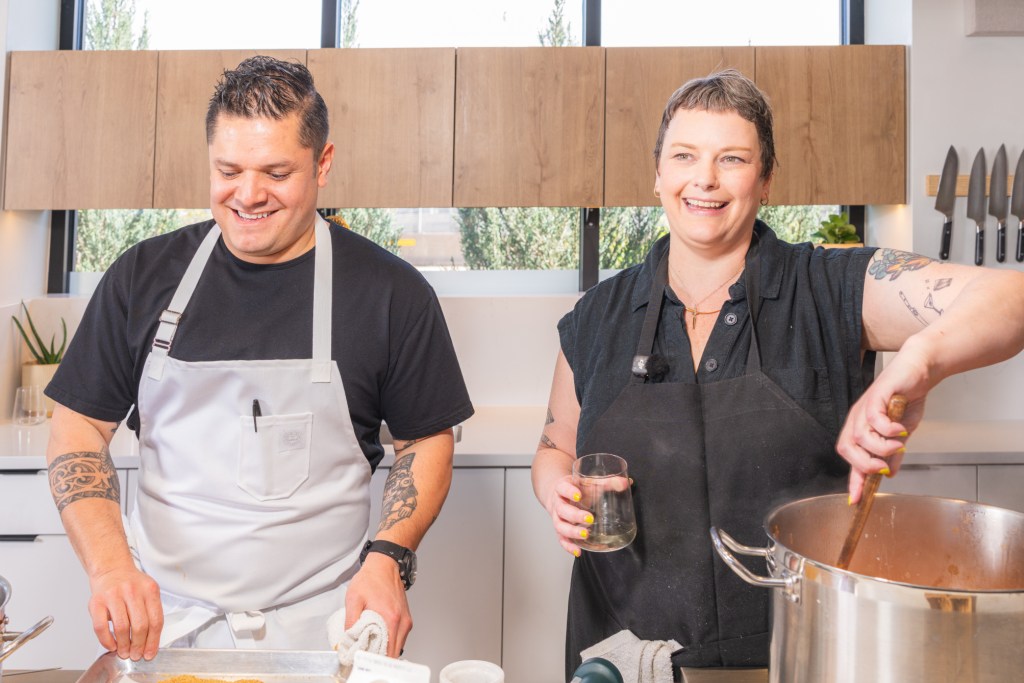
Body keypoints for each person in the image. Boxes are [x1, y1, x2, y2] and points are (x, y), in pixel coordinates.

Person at [532, 69, 1024, 678]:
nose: (705, 179)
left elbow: (1009, 298)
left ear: (765, 180)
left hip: (802, 655)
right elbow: (556, 448)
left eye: (732, 159)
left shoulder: (833, 288)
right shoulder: (595, 317)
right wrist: (555, 492)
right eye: (684, 155)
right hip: (621, 660)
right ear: (658, 173)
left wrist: (919, 359)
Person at [44, 56, 473, 661]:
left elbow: (426, 441)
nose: (247, 195)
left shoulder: (390, 293)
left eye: (276, 172)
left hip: (323, 633)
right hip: (162, 626)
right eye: (228, 171)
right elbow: (78, 429)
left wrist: (388, 558)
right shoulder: (141, 277)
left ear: (323, 163)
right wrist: (110, 567)